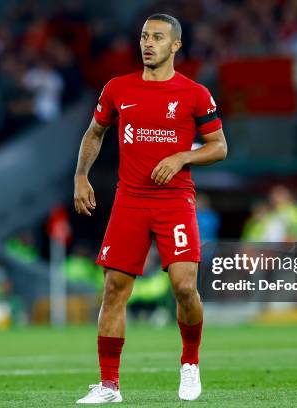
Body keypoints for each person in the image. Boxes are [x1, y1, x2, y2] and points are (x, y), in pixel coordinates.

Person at [73, 13, 227, 403]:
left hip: (174, 200)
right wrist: (80, 176)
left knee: (185, 287)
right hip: (130, 200)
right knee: (114, 291)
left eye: (157, 37)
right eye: (144, 36)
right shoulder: (118, 88)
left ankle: (189, 364)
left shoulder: (194, 93)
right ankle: (109, 386)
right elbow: (95, 133)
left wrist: (181, 158)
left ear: (175, 45)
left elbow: (219, 146)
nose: (148, 43)